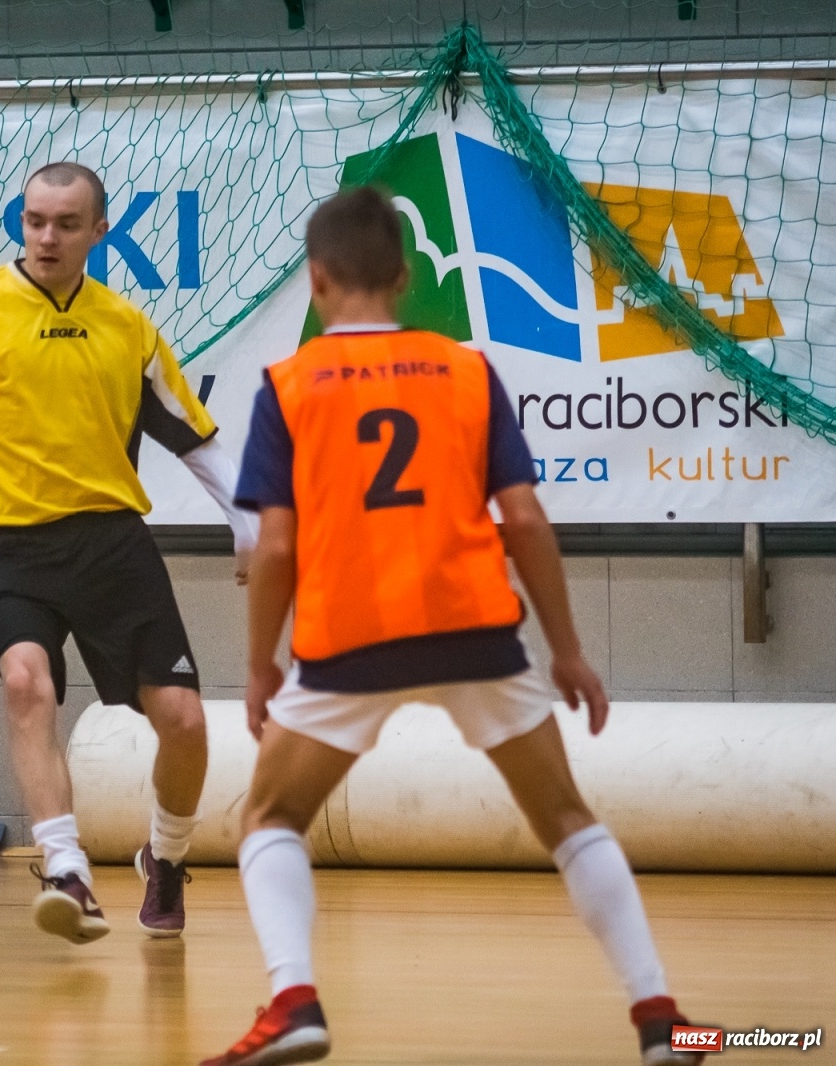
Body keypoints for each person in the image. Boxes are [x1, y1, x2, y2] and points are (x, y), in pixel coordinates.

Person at [201, 186, 705, 1066]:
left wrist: (258, 665)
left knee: (270, 816)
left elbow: (275, 547)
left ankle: (294, 999)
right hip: (475, 628)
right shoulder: (467, 370)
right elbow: (527, 520)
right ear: (404, 276)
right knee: (568, 820)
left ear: (317, 281)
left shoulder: (289, 385)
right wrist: (571, 653)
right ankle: (661, 1014)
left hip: (348, 639)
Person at [0, 162, 257, 943]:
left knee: (182, 720)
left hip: (113, 544)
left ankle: (166, 858)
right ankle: (66, 867)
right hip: (9, 545)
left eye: (66, 224)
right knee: (25, 683)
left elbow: (193, 433)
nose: (47, 236)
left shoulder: (128, 326)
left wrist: (248, 522)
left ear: (99, 232)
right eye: (35, 220)